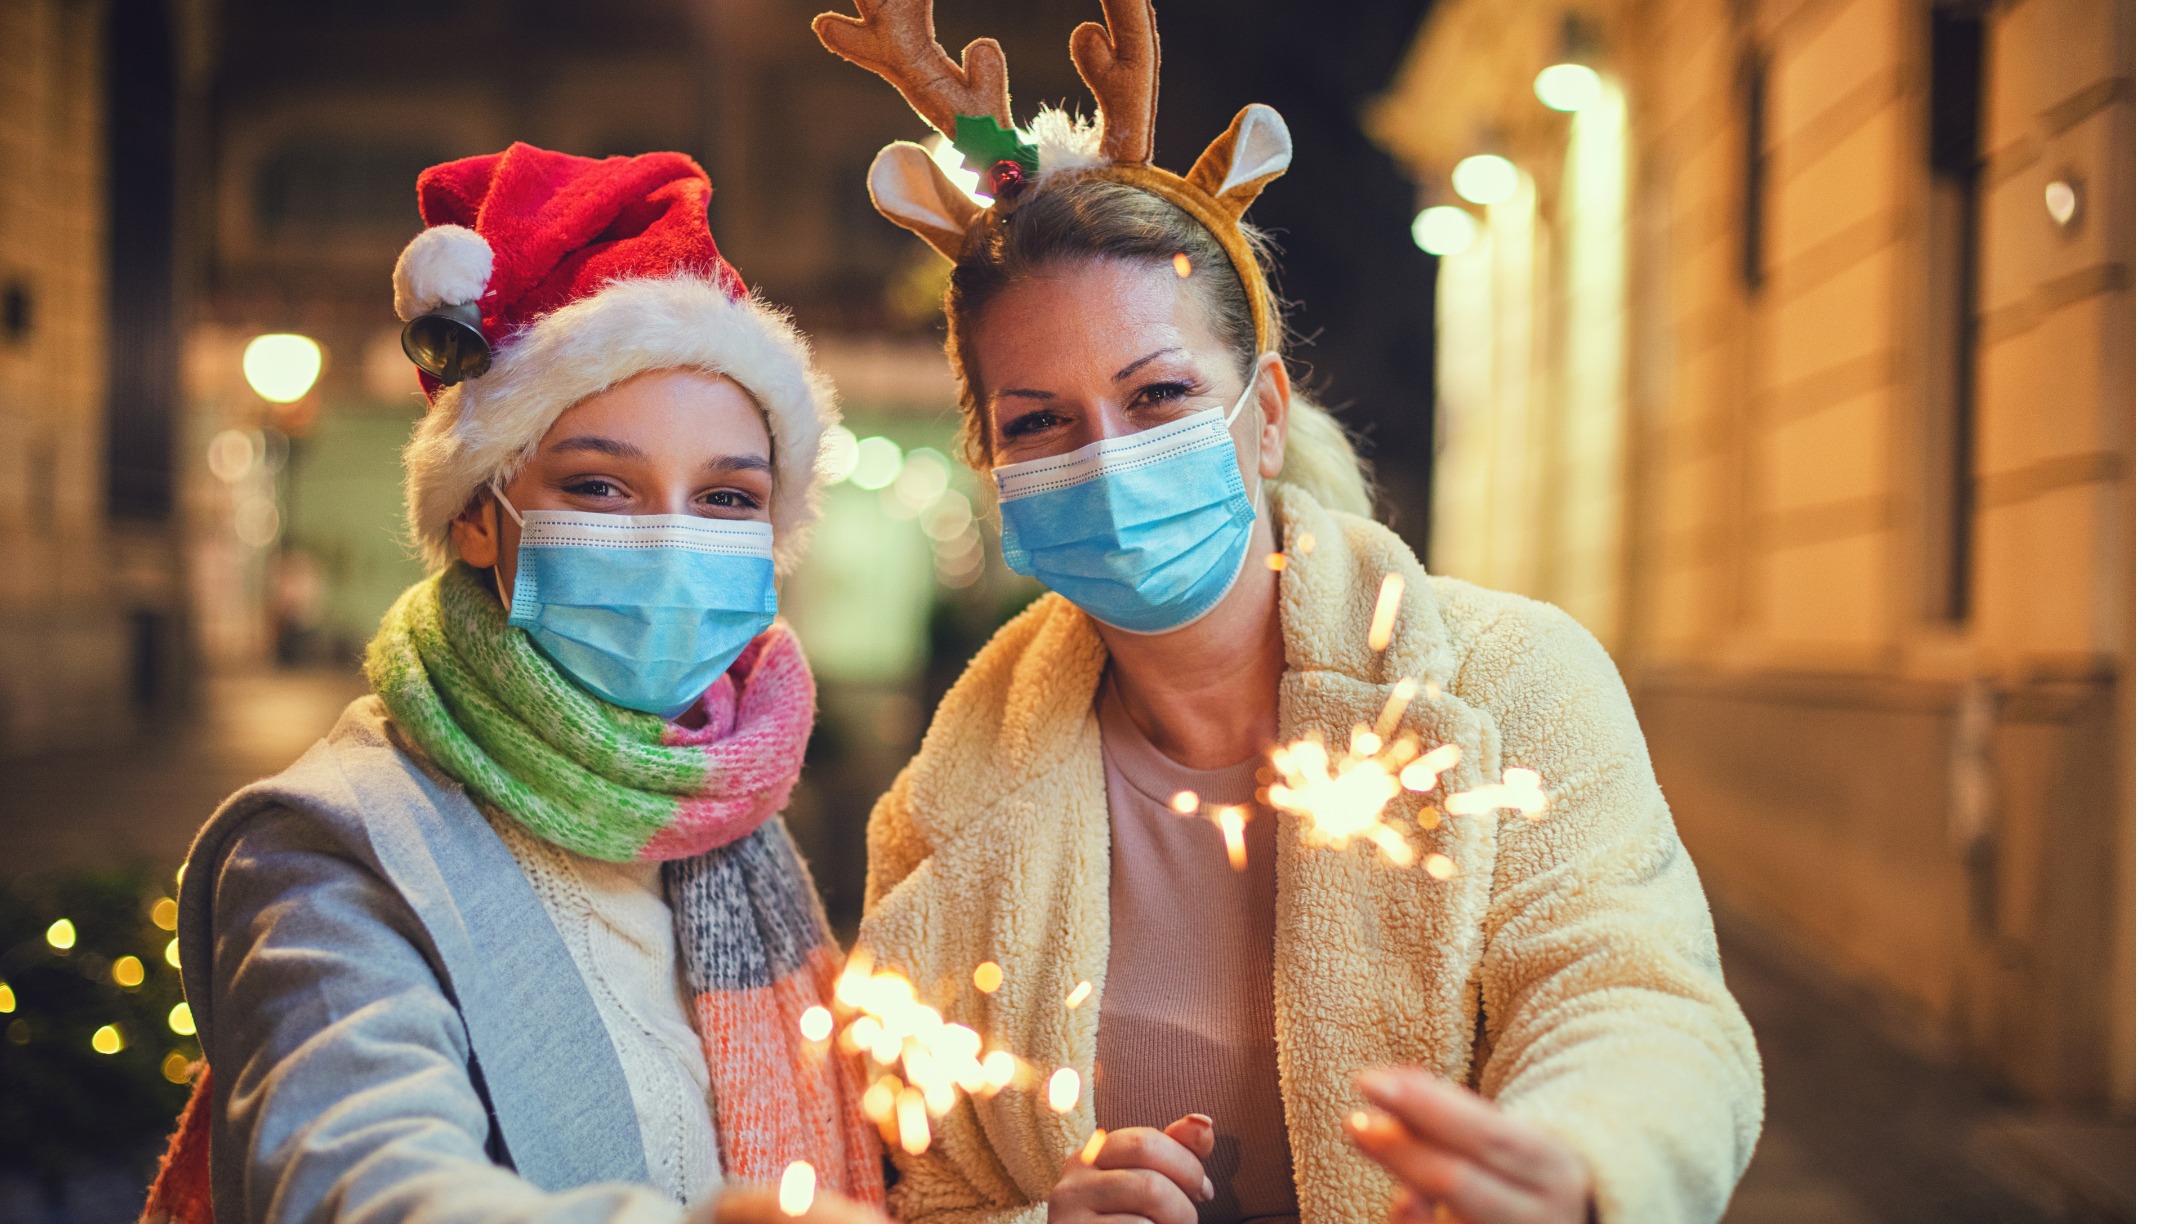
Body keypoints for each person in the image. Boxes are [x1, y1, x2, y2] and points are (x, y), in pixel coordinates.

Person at [812, 3, 1764, 1223]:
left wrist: (1576, 1162)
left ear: (1260, 415)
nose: (1104, 459)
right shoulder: (947, 798)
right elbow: (921, 1172)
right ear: (990, 463)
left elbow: (1634, 994)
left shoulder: (1507, 681)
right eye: (1038, 421)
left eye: (1157, 394)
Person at [143, 145, 888, 1224]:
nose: (675, 538)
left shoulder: (730, 822)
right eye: (598, 484)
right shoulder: (328, 847)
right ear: (478, 514)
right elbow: (358, 1183)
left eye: (728, 499)